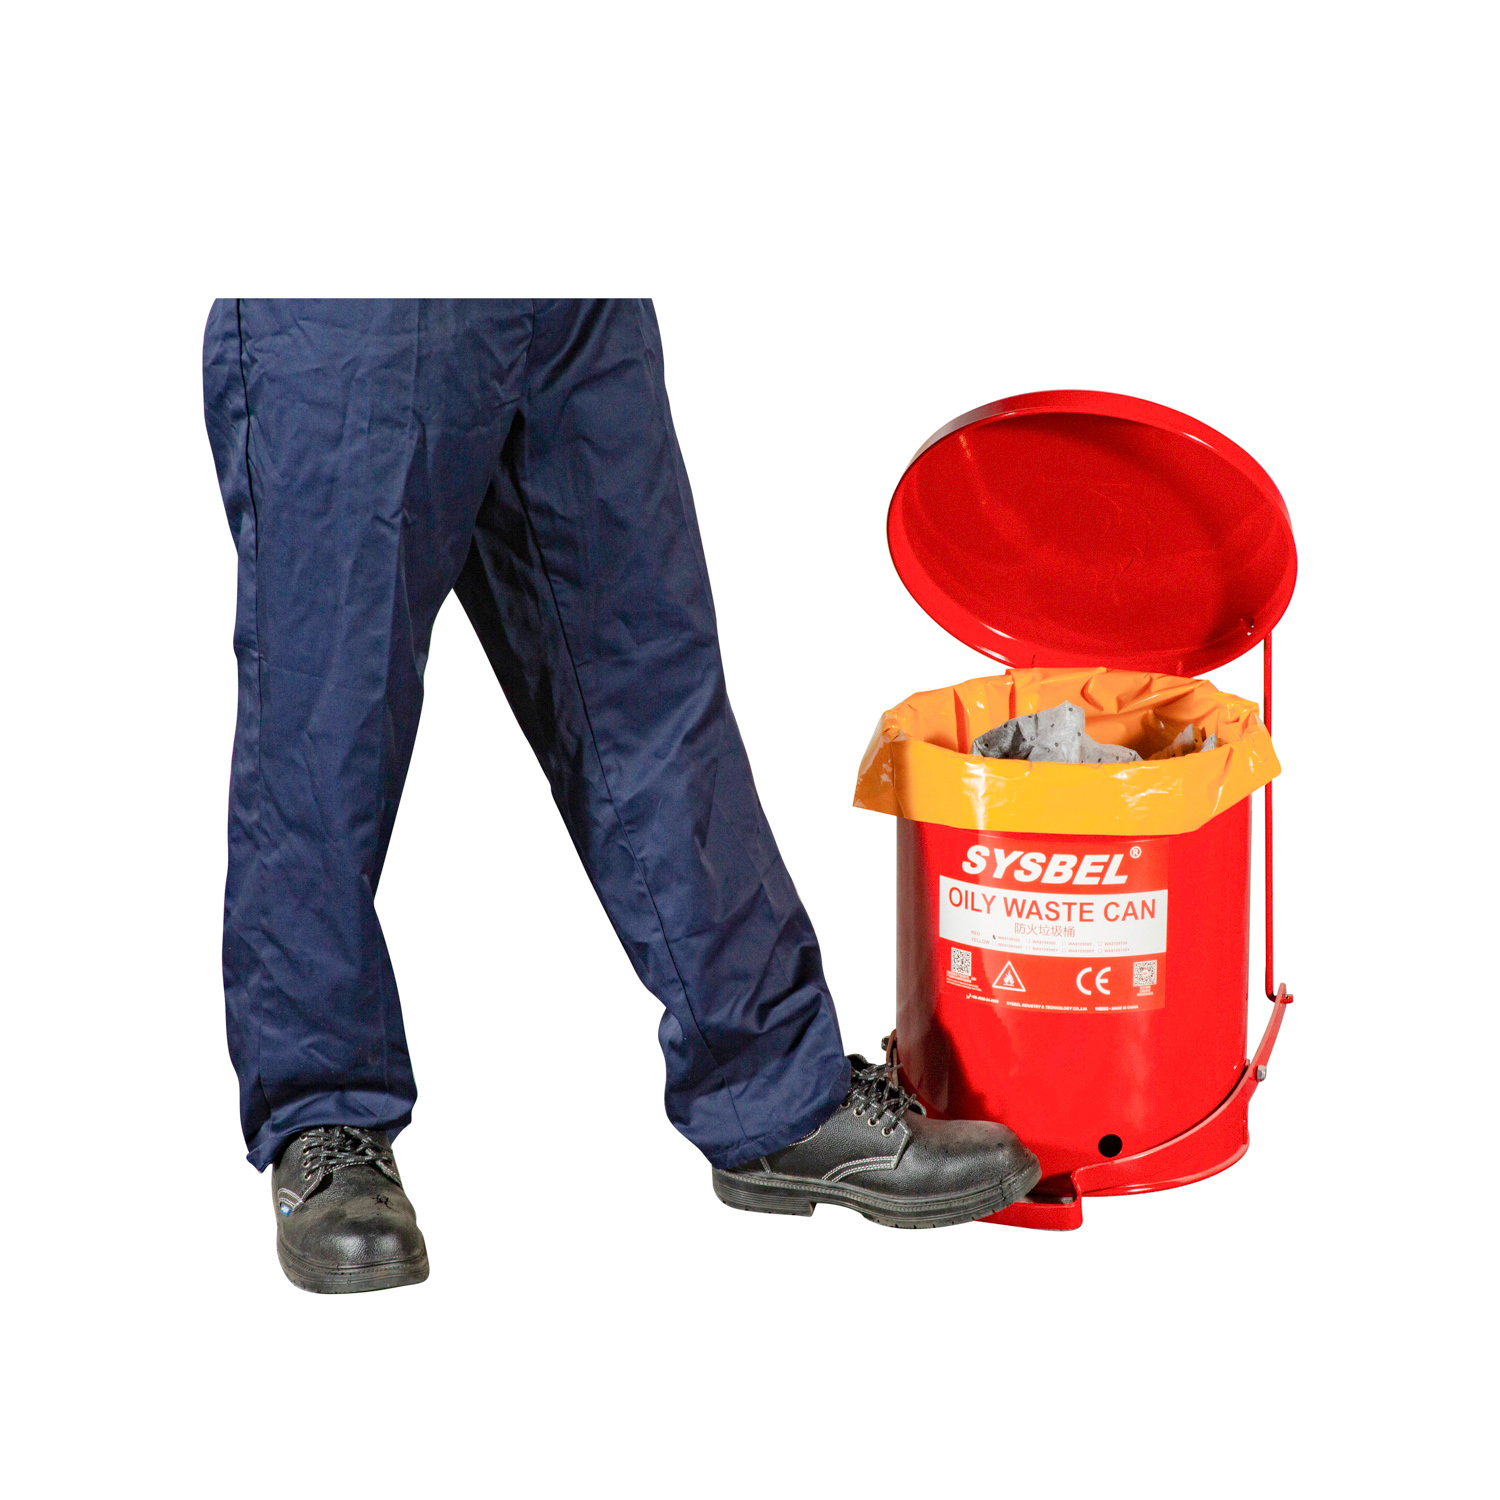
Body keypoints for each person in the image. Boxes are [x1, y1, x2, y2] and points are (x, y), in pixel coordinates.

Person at [203, 299, 1039, 1294]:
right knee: (326, 728)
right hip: (353, 309)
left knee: (654, 685)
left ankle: (774, 1094)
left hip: (569, 302)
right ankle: (323, 1122)